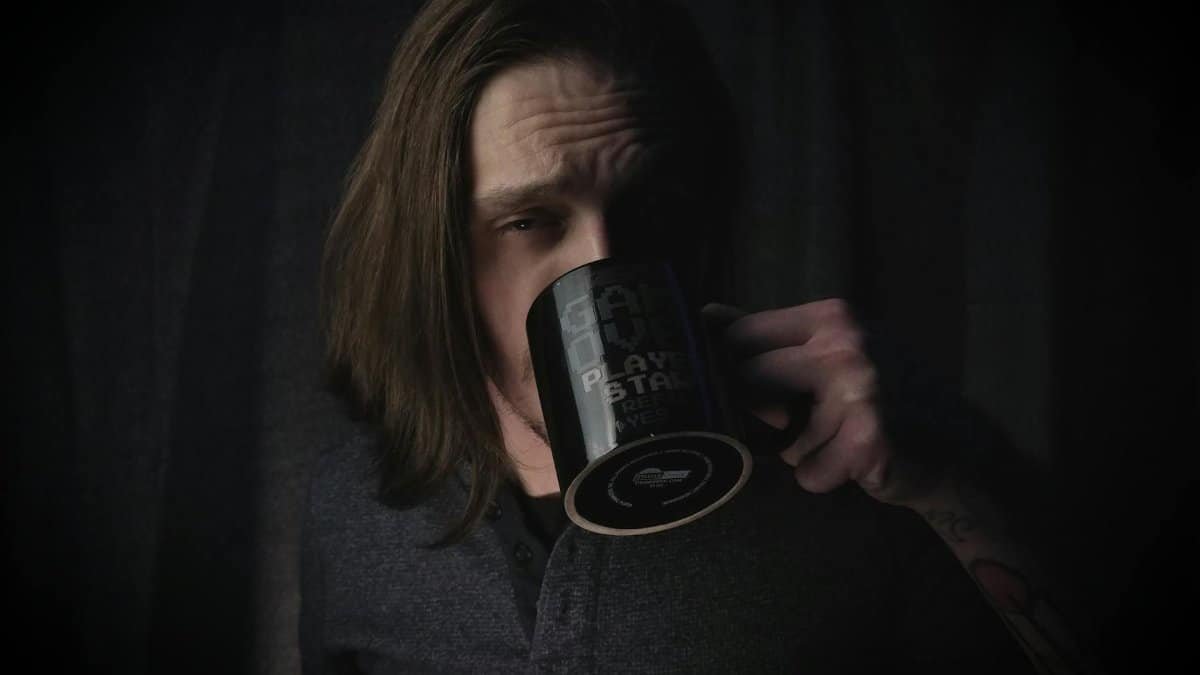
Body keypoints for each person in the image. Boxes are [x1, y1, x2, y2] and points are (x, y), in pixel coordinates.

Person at [302, 0, 1100, 672]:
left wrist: (948, 484)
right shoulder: (357, 503)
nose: (604, 266)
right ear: (429, 245)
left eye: (649, 205)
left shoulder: (867, 470)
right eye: (530, 220)